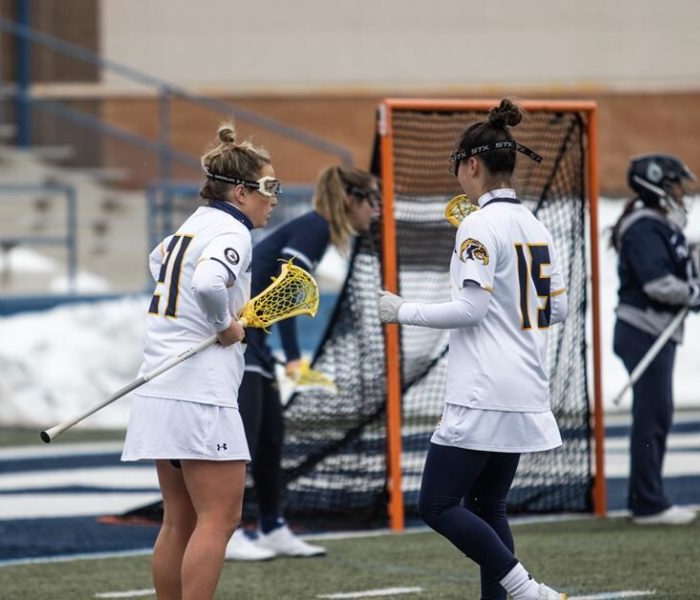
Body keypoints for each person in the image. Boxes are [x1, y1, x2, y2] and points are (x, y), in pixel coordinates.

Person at [378, 99, 568, 600]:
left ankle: (526, 590)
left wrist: (402, 311)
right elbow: (559, 310)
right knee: (489, 507)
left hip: (484, 388)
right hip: (527, 384)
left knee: (437, 504)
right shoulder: (537, 225)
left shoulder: (479, 225)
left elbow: (470, 310)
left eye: (457, 168)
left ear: (473, 165)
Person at [120, 122, 278, 600]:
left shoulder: (189, 226)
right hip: (199, 392)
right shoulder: (234, 231)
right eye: (269, 188)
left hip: (160, 384)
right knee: (220, 518)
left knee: (179, 519)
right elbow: (210, 283)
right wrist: (223, 325)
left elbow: (157, 260)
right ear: (240, 190)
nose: (273, 198)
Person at [225, 165, 380, 561]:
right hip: (243, 341)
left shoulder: (319, 230)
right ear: (352, 200)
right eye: (372, 202)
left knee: (271, 438)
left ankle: (273, 526)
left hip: (257, 341)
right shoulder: (315, 228)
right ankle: (225, 530)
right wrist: (294, 357)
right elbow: (289, 290)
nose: (376, 211)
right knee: (242, 440)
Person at [610, 153, 700, 526]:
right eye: (677, 183)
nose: (682, 191)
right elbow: (657, 283)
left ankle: (647, 497)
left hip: (652, 331)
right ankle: (647, 503)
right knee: (652, 418)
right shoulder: (644, 226)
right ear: (659, 185)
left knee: (656, 415)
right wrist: (691, 293)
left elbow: (679, 267)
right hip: (643, 331)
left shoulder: (659, 224)